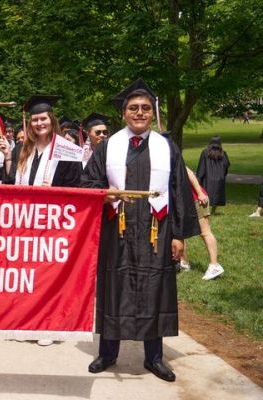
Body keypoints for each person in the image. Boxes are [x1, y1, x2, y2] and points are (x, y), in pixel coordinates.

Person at [81, 82, 199, 382]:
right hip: (116, 228)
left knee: (154, 289)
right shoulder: (109, 146)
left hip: (155, 231)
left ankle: (154, 358)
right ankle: (108, 353)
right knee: (113, 285)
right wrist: (104, 193)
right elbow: (88, 182)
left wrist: (178, 235)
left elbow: (179, 191)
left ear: (151, 113)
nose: (140, 113)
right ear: (123, 114)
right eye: (133, 108)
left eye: (145, 108)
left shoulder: (167, 147)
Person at [0, 95, 82, 347]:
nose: (38, 123)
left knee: (49, 276)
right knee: (27, 275)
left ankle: (49, 324)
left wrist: (55, 189)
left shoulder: (67, 150)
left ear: (51, 119)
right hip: (26, 222)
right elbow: (13, 181)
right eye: (34, 119)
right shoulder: (23, 149)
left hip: (54, 223)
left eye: (43, 118)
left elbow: (77, 187)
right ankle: (26, 322)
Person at [180, 167, 224, 280]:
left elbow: (189, 174)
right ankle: (184, 263)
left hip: (197, 199)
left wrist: (200, 193)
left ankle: (214, 266)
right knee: (179, 232)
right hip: (182, 202)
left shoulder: (171, 156)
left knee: (205, 232)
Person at [196, 136, 230, 214]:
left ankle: (206, 210)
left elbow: (202, 166)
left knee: (206, 194)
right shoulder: (223, 153)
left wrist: (199, 177)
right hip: (219, 178)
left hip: (208, 178)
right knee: (217, 195)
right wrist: (223, 175)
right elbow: (226, 165)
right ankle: (213, 211)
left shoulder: (205, 153)